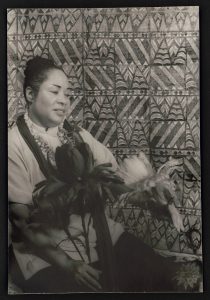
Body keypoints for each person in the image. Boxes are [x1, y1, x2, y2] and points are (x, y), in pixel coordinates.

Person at [8, 56, 200, 293]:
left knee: (170, 279)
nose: (63, 101)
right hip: (47, 252)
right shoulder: (13, 144)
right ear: (29, 95)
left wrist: (152, 200)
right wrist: (69, 265)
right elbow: (22, 224)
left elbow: (115, 181)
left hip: (98, 234)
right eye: (55, 91)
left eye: (67, 94)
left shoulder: (76, 134)